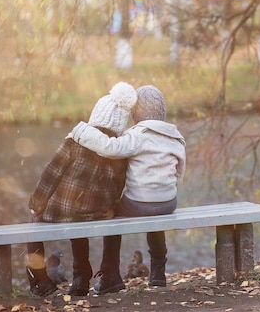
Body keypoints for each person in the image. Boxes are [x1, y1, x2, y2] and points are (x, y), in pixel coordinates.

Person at [70, 85, 186, 294]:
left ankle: (110, 275)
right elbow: (180, 173)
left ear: (136, 113)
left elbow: (110, 147)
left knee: (111, 214)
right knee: (155, 215)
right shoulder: (176, 137)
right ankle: (158, 271)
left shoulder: (137, 135)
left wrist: (81, 132)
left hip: (137, 204)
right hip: (168, 203)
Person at [26, 82, 137, 297]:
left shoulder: (75, 142)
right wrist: (110, 207)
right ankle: (84, 276)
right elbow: (118, 187)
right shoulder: (118, 151)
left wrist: (36, 204)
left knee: (33, 224)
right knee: (84, 220)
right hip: (96, 213)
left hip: (64, 209)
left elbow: (50, 174)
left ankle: (41, 279)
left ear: (96, 115)